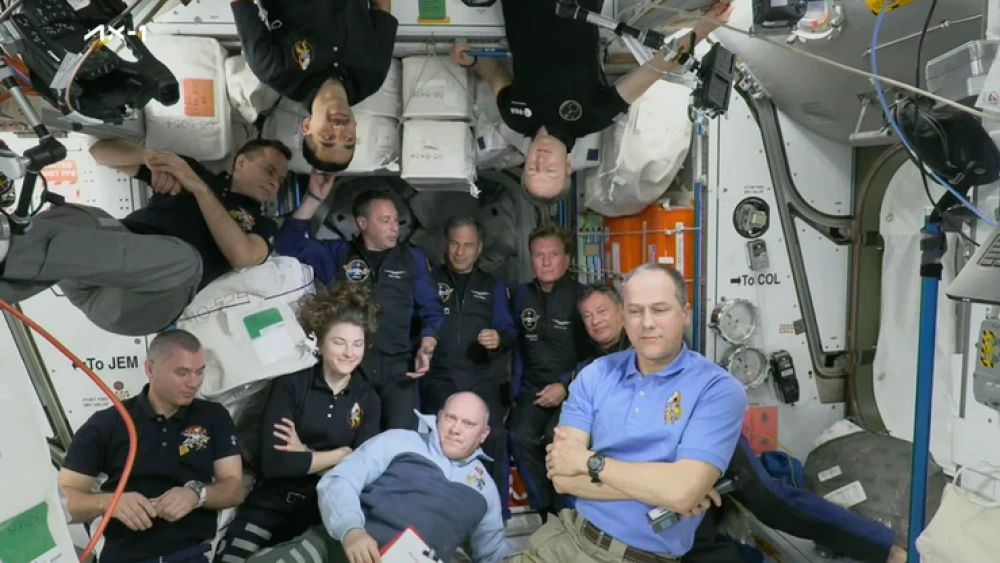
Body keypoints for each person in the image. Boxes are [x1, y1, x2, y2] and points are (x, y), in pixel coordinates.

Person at [507, 263, 748, 562]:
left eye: (660, 309)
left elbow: (681, 492)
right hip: (564, 539)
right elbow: (562, 479)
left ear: (685, 314)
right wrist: (663, 488)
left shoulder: (717, 389)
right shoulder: (596, 374)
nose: (647, 322)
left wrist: (589, 462)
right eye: (635, 311)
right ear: (623, 316)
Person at [0, 138, 290, 336]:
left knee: (185, 259)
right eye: (269, 170)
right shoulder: (191, 169)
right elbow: (100, 153)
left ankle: (11, 254)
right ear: (240, 162)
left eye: (280, 180)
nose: (274, 182)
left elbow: (242, 256)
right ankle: (7, 259)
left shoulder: (262, 224)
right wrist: (149, 158)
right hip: (103, 264)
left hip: (148, 298)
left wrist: (199, 189)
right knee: (84, 216)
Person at [450, 1, 732, 203]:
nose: (541, 160)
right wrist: (704, 27)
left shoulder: (515, 116)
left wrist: (473, 60)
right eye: (549, 170)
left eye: (533, 168)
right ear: (568, 167)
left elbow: (493, 75)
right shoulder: (594, 117)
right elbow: (658, 67)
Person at [214, 284, 382, 563]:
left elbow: (361, 477)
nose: (349, 353)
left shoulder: (368, 399)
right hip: (269, 505)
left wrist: (303, 452)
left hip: (321, 514)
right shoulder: (292, 384)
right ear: (321, 342)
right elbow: (274, 463)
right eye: (339, 342)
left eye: (358, 344)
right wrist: (340, 456)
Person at [242, 392, 514, 563]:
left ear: (484, 434)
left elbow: (492, 553)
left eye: (468, 424)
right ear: (438, 417)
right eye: (451, 418)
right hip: (340, 546)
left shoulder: (485, 490)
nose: (456, 429)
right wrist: (352, 530)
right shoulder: (398, 441)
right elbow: (340, 480)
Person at [57, 330, 244, 563]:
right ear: (150, 369)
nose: (194, 382)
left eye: (199, 372)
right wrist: (111, 502)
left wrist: (197, 494)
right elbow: (63, 504)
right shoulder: (107, 423)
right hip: (124, 557)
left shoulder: (213, 416)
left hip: (190, 554)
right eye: (182, 372)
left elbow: (234, 488)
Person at [276, 174, 443, 430]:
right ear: (362, 223)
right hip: (351, 368)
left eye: (396, 220)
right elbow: (288, 243)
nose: (394, 227)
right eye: (385, 221)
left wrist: (426, 347)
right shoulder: (338, 254)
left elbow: (432, 311)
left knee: (401, 441)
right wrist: (315, 198)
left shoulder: (412, 258)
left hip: (399, 369)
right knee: (355, 442)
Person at [230, 0, 397, 172]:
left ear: (307, 127)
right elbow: (381, 9)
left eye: (327, 137)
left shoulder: (274, 70)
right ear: (355, 129)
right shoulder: (372, 76)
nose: (339, 129)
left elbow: (241, 4)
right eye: (348, 140)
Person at [422, 215, 517, 497]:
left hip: (479, 375)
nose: (460, 252)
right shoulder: (427, 281)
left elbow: (510, 332)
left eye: (468, 245)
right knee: (444, 436)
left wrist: (498, 339)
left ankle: (496, 512)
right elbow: (413, 326)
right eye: (455, 244)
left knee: (495, 435)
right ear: (445, 245)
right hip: (438, 376)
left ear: (479, 248)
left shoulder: (493, 286)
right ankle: (440, 505)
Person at [509, 224, 592, 517]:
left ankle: (566, 509)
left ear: (566, 260)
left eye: (553, 255)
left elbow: (596, 356)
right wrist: (514, 396)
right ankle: (544, 510)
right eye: (538, 255)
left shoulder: (582, 298)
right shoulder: (521, 295)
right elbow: (518, 349)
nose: (545, 262)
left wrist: (566, 385)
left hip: (574, 388)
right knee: (519, 435)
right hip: (533, 386)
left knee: (552, 440)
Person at [579, 284, 630, 358]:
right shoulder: (584, 360)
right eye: (587, 316)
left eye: (602, 311)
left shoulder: (641, 349)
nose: (595, 321)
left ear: (621, 310)